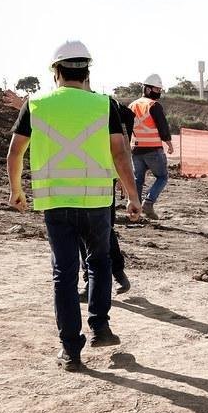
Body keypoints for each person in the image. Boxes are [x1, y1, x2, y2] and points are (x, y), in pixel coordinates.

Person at [7, 40, 143, 372]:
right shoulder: (104, 104)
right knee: (98, 264)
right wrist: (132, 196)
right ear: (87, 72)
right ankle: (99, 326)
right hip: (97, 200)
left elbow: (15, 152)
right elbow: (120, 153)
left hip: (55, 203)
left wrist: (16, 191)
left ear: (56, 71)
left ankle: (70, 351)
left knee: (64, 274)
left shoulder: (35, 103)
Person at [77, 80, 135, 299]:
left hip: (99, 178)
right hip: (84, 178)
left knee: (98, 231)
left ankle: (112, 275)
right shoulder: (97, 105)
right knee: (95, 231)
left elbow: (123, 140)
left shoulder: (106, 105)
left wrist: (122, 176)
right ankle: (112, 276)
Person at [129, 75, 174, 220]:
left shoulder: (132, 105)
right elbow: (162, 126)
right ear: (148, 89)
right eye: (157, 89)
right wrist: (169, 143)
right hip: (153, 149)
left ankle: (135, 208)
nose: (159, 92)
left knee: (138, 179)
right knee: (162, 177)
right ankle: (148, 202)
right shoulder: (153, 105)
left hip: (136, 149)